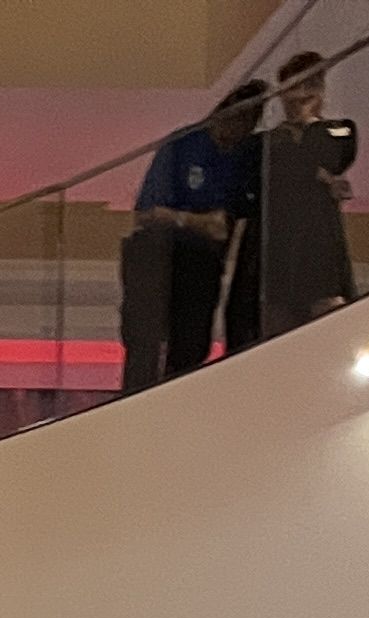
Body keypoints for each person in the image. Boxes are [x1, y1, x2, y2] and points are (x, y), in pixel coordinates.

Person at [120, 79, 261, 392]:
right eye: (236, 117)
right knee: (145, 345)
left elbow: (228, 223)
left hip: (203, 264)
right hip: (160, 256)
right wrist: (193, 221)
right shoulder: (184, 144)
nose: (237, 129)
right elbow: (148, 213)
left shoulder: (242, 157)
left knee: (192, 348)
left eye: (248, 122)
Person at [231, 50, 357, 345]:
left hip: (320, 251)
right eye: (293, 87)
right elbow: (266, 166)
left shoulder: (340, 130)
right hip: (276, 252)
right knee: (278, 337)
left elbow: (334, 155)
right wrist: (320, 176)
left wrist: (307, 121)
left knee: (328, 335)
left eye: (310, 85)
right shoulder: (266, 142)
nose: (299, 95)